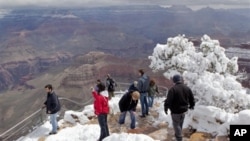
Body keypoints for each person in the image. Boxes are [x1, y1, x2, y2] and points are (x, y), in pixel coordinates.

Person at [164, 74, 195, 141]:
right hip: (184, 110)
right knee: (180, 124)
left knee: (176, 125)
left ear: (174, 81)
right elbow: (192, 98)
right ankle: (178, 136)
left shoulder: (173, 89)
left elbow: (168, 100)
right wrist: (192, 105)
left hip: (175, 111)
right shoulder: (187, 88)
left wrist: (166, 107)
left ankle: (179, 138)